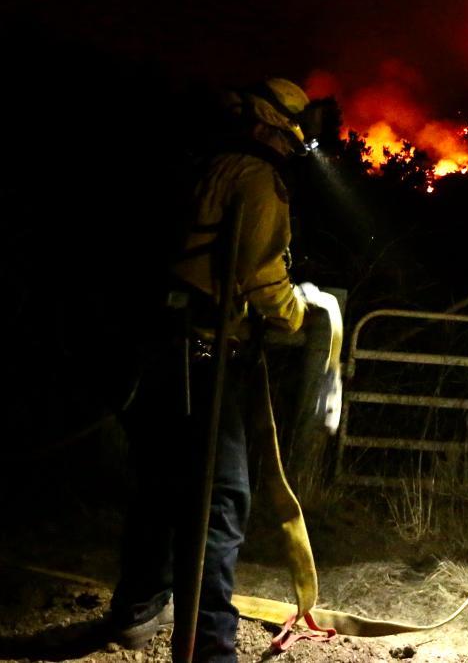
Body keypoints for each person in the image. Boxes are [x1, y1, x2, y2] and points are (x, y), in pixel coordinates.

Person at [106, 77, 319, 661]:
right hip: (204, 360)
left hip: (156, 350)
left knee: (157, 486)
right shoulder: (257, 177)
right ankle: (209, 645)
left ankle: (137, 608)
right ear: (270, 128)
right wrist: (296, 315)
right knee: (220, 501)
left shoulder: (203, 163)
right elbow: (261, 272)